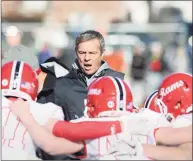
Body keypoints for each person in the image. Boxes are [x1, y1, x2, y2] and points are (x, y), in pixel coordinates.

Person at [10, 76, 171, 160]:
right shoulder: (150, 120)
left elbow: (51, 145)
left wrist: (26, 116)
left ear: (94, 103)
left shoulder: (90, 133)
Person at [37, 30, 126, 159]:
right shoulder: (60, 83)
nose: (87, 58)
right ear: (76, 52)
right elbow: (44, 123)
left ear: (102, 53)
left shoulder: (118, 82)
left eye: (92, 53)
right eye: (82, 53)